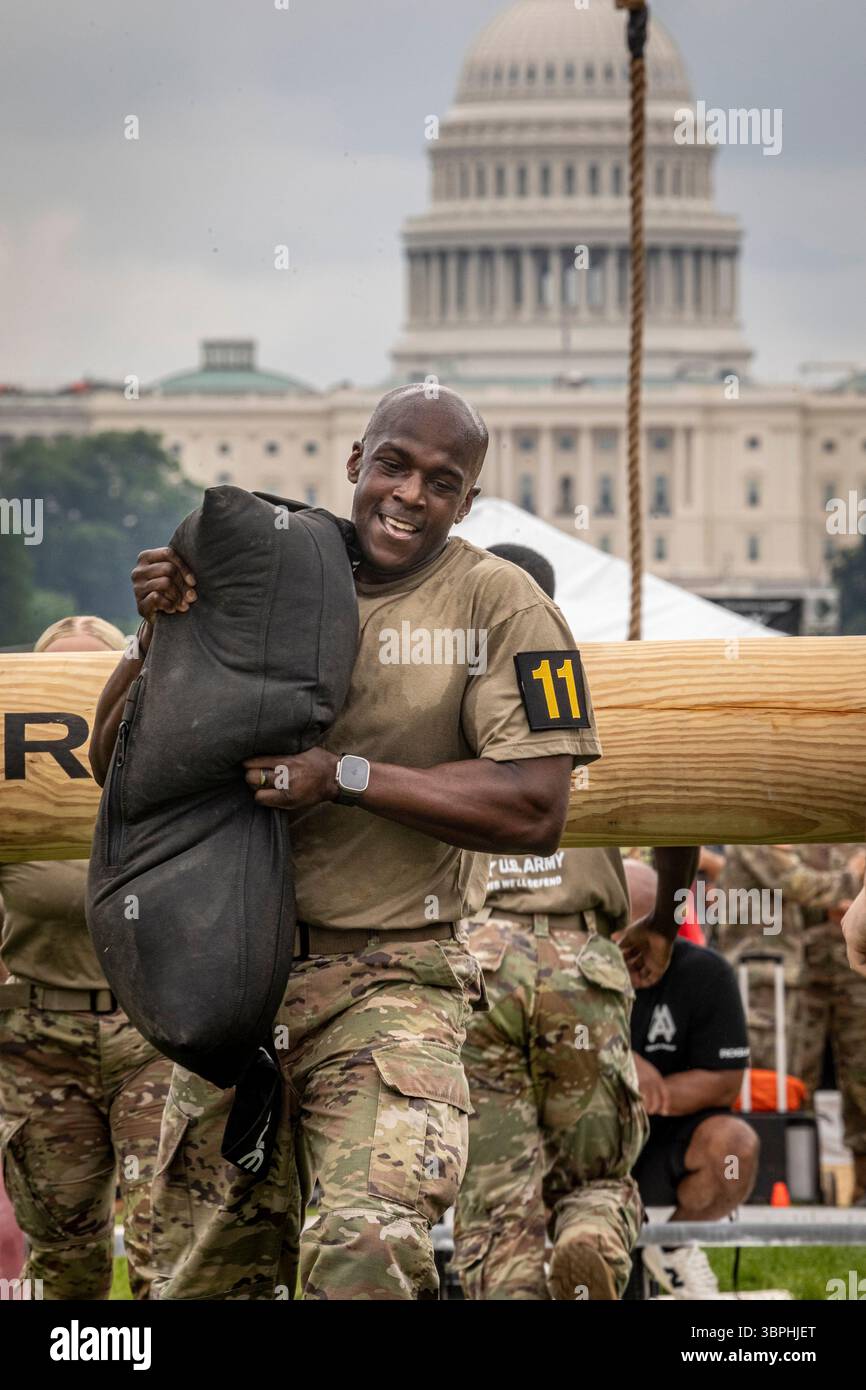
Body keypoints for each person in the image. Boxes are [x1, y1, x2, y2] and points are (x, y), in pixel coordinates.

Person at [89, 383, 617, 1302]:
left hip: (390, 982)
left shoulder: (505, 606)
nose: (410, 495)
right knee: (192, 1280)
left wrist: (345, 777)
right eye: (394, 465)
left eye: (442, 481)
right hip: (228, 993)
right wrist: (158, 637)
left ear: (468, 500)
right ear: (355, 465)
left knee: (364, 1251)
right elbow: (114, 769)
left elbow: (538, 806)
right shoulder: (269, 570)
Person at [451, 543, 695, 1301]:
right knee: (595, 1172)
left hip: (479, 957)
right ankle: (587, 1238)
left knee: (494, 1198)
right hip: (576, 958)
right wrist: (663, 916)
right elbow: (682, 811)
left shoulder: (443, 692)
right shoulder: (601, 690)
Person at [0, 616, 174, 1300]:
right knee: (64, 1257)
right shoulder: (16, 798)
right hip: (39, 1037)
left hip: (154, 1031)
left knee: (169, 1239)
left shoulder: (161, 777)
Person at [626, 858, 758, 1299]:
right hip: (594, 1142)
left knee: (735, 1147)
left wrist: (657, 1092)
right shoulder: (568, 973)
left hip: (673, 1145)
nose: (636, 951)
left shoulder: (706, 972)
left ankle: (673, 1247)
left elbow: (725, 1082)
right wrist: (620, 1064)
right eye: (622, 937)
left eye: (648, 932)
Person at [716, 844, 864, 1073]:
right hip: (760, 972)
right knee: (773, 1077)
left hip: (785, 970)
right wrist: (852, 873)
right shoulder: (755, 833)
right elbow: (796, 884)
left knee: (792, 1076)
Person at [795, 844, 866, 1203]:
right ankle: (799, 1183)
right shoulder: (792, 837)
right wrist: (847, 882)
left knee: (861, 1076)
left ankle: (863, 1188)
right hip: (802, 974)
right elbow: (794, 889)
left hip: (857, 977)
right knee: (797, 1078)